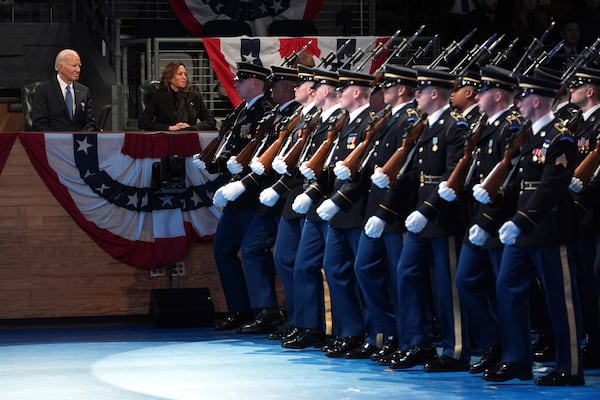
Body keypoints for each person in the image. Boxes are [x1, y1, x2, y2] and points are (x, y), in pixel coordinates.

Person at [480, 71, 584, 386]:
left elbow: (552, 187)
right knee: (508, 289)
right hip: (522, 228)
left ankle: (571, 367)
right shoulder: (529, 135)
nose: (519, 103)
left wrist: (520, 221)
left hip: (549, 227)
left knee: (559, 298)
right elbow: (519, 184)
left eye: (523, 98)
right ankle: (516, 359)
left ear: (536, 100)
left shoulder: (559, 136)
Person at [389, 67, 471, 372]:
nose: (416, 96)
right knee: (407, 273)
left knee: (446, 285)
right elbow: (418, 172)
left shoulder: (454, 126)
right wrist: (393, 181)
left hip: (442, 217)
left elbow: (452, 177)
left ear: (435, 93)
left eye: (420, 91)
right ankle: (418, 343)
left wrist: (427, 210)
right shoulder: (425, 125)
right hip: (420, 217)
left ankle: (457, 348)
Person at [214, 64, 303, 334]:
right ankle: (248, 309)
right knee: (227, 249)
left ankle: (270, 311)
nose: (272, 89)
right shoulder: (269, 113)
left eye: (276, 85)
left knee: (261, 251)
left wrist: (247, 185)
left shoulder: (287, 115)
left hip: (268, 194)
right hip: (250, 189)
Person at [452, 66, 524, 374]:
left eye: (483, 91)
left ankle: (516, 356)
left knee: (505, 289)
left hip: (500, 222)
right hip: (477, 219)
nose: (477, 95)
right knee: (466, 280)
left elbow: (511, 181)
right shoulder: (483, 124)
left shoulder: (513, 127)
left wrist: (487, 220)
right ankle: (493, 343)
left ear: (497, 95)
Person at [204, 62, 276, 332]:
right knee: (222, 249)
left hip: (254, 193)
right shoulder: (241, 112)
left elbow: (260, 155)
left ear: (256, 82)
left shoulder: (265, 112)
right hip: (234, 192)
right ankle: (240, 308)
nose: (235, 83)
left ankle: (265, 309)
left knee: (253, 250)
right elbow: (232, 150)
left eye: (241, 80)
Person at [567, 66, 600, 369]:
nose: (571, 90)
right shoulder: (577, 122)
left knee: (592, 280)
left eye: (576, 86)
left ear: (590, 91)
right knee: (581, 280)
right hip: (575, 214)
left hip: (592, 213)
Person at [31, 48, 98, 132]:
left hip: (80, 142)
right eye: (74, 66)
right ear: (61, 67)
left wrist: (80, 138)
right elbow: (39, 124)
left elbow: (90, 123)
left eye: (79, 66)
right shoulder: (43, 90)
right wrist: (60, 140)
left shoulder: (84, 91)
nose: (78, 70)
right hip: (53, 142)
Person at [138, 61, 216, 131]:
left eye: (185, 74)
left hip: (189, 137)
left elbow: (211, 121)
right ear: (169, 78)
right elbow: (143, 122)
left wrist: (192, 128)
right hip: (166, 138)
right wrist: (169, 128)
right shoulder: (158, 95)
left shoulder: (194, 96)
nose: (184, 77)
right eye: (180, 74)